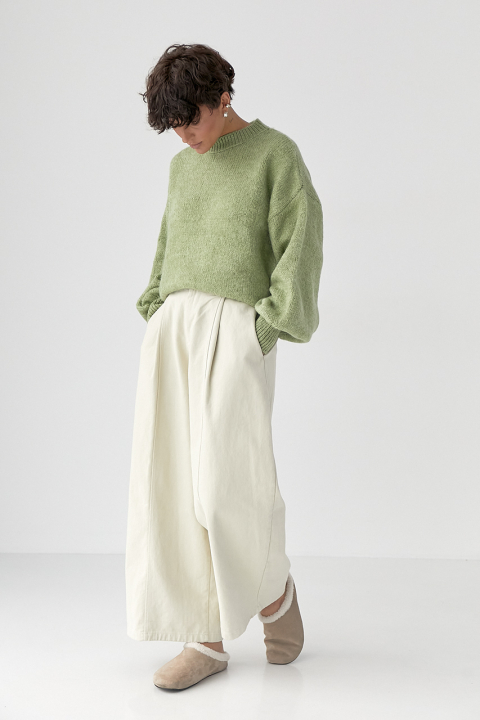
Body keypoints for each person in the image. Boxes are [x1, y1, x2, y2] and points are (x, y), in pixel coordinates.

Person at [125, 42, 324, 691]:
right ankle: (204, 640)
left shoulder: (274, 154)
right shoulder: (183, 167)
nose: (184, 135)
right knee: (173, 489)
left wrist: (266, 328)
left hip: (235, 332)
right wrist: (156, 307)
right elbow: (168, 243)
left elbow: (301, 242)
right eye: (173, 126)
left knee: (227, 486)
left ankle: (273, 594)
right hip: (175, 333)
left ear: (223, 98)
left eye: (191, 120)